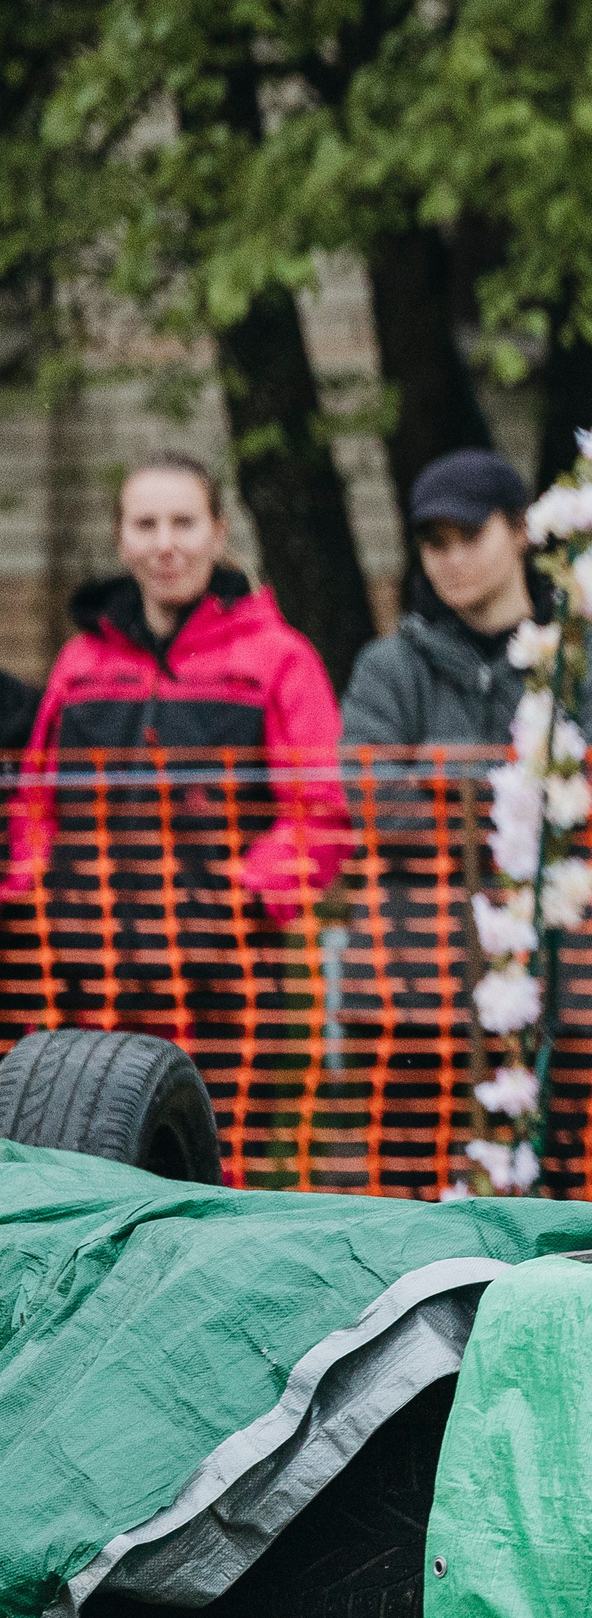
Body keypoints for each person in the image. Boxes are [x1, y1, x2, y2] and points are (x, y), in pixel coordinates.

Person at [14, 453, 349, 1122]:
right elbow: (35, 802)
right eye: (146, 523)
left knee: (212, 1181)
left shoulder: (278, 659)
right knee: (89, 1171)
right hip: (89, 980)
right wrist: (40, 893)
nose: (165, 543)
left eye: (184, 522)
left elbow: (321, 815)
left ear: (218, 531)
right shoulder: (80, 664)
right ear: (121, 538)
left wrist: (236, 898)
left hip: (223, 988)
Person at [341, 448, 592, 749]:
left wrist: (444, 773)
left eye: (471, 535)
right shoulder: (389, 667)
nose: (454, 559)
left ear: (521, 530)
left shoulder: (590, 655)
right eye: (436, 543)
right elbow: (367, 782)